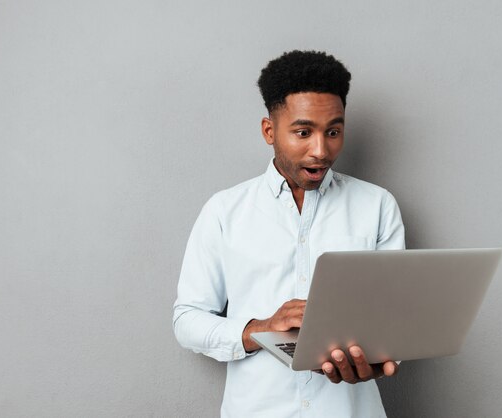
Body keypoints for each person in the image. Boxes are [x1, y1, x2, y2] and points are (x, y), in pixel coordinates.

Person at [173, 50, 405, 417]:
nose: (321, 150)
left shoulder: (377, 206)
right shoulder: (224, 211)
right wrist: (259, 330)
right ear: (269, 131)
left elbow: (394, 316)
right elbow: (187, 319)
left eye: (333, 131)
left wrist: (379, 354)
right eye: (303, 132)